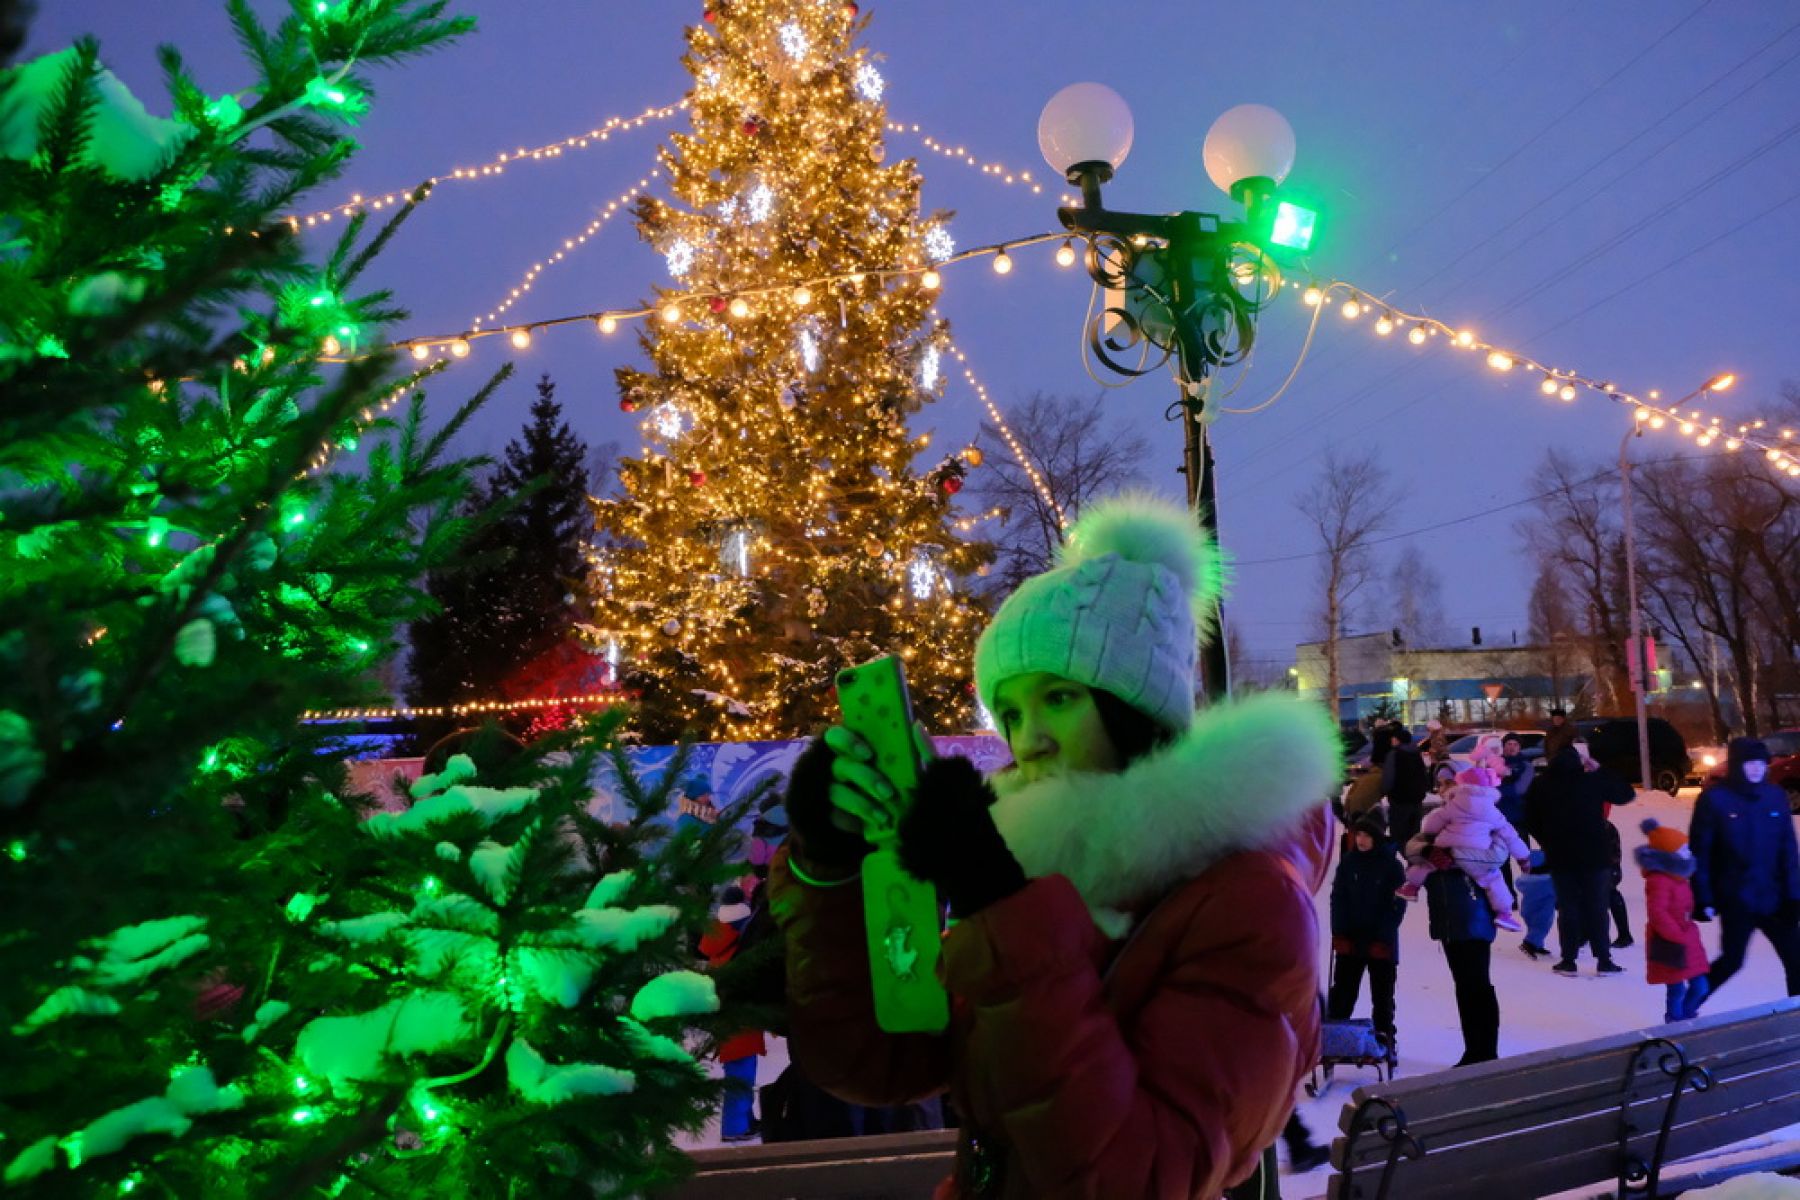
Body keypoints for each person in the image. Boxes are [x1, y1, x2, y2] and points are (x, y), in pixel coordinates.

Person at [769, 493, 1342, 1199]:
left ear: (1139, 708)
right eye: (1009, 711)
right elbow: (878, 1066)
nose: (1028, 739)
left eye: (1060, 698)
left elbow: (1140, 1178)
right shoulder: (1033, 860)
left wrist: (1003, 905)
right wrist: (830, 870)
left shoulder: (1248, 900)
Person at [1689, 738, 1800, 1004]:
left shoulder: (1774, 796)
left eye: (1761, 764)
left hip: (1774, 899)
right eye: (1749, 764)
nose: (1756, 769)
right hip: (1736, 897)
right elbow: (1700, 852)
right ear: (1737, 765)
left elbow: (1788, 850)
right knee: (1732, 960)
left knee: (1796, 959)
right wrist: (1702, 896)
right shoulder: (1715, 800)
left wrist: (1794, 895)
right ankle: (1689, 1002)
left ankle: (1796, 1021)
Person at [1526, 747, 1632, 977]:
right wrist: (1601, 770)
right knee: (1597, 907)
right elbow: (1626, 794)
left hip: (1560, 855)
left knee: (1568, 907)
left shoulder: (1541, 785)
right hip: (1595, 854)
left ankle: (1568, 960)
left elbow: (1529, 817)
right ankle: (1604, 959)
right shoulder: (1591, 781)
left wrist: (1547, 839)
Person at [1396, 762, 1530, 931]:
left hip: (1446, 846)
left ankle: (1411, 886)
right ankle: (1504, 913)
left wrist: (1430, 834)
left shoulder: (1452, 805)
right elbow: (1510, 836)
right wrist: (1523, 858)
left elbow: (1433, 822)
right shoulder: (1493, 812)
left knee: (1427, 865)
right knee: (1493, 878)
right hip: (1476, 852)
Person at [1328, 812, 1405, 1057]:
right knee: (1342, 992)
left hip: (1380, 941)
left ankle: (1385, 1037)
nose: (1361, 840)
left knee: (1382, 996)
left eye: (1367, 835)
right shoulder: (1348, 862)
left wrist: (1383, 937)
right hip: (1350, 939)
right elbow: (1338, 898)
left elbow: (1396, 904)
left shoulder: (1391, 866)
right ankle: (1334, 1038)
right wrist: (1339, 932)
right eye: (1358, 834)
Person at [699, 886, 767, 1143]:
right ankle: (735, 1128)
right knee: (740, 1076)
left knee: (741, 1073)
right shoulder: (738, 948)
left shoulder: (719, 945)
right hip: (740, 1022)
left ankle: (745, 1120)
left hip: (731, 1022)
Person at [1424, 847, 1501, 1066]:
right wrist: (1427, 850)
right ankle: (1474, 1049)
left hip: (1474, 921)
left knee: (1477, 986)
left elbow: (1499, 854)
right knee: (1465, 988)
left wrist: (1458, 855)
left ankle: (1485, 1051)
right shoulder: (1435, 833)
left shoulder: (1481, 829)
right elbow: (1411, 848)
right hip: (1448, 924)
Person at [1635, 819, 1710, 1022]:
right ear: (1669, 856)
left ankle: (1684, 1018)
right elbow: (1657, 913)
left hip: (1687, 937)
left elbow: (1685, 906)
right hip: (1669, 941)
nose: (1688, 853)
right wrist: (1676, 935)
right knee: (1676, 988)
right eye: (1683, 850)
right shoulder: (1659, 880)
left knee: (1701, 986)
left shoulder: (1678, 876)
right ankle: (1674, 1022)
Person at [1383, 728, 1432, 852]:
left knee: (1398, 835)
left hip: (1399, 799)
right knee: (1413, 835)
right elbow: (1424, 775)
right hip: (1416, 800)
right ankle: (1413, 862)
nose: (1391, 740)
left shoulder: (1394, 754)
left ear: (1398, 740)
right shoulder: (1416, 753)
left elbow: (1389, 776)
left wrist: (1386, 790)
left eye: (1394, 738)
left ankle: (1399, 864)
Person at [1516, 848, 1557, 960]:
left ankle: (1538, 945)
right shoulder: (1547, 882)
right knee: (1541, 928)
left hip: (1527, 909)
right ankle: (1529, 944)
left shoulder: (1526, 882)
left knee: (1533, 927)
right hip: (1543, 911)